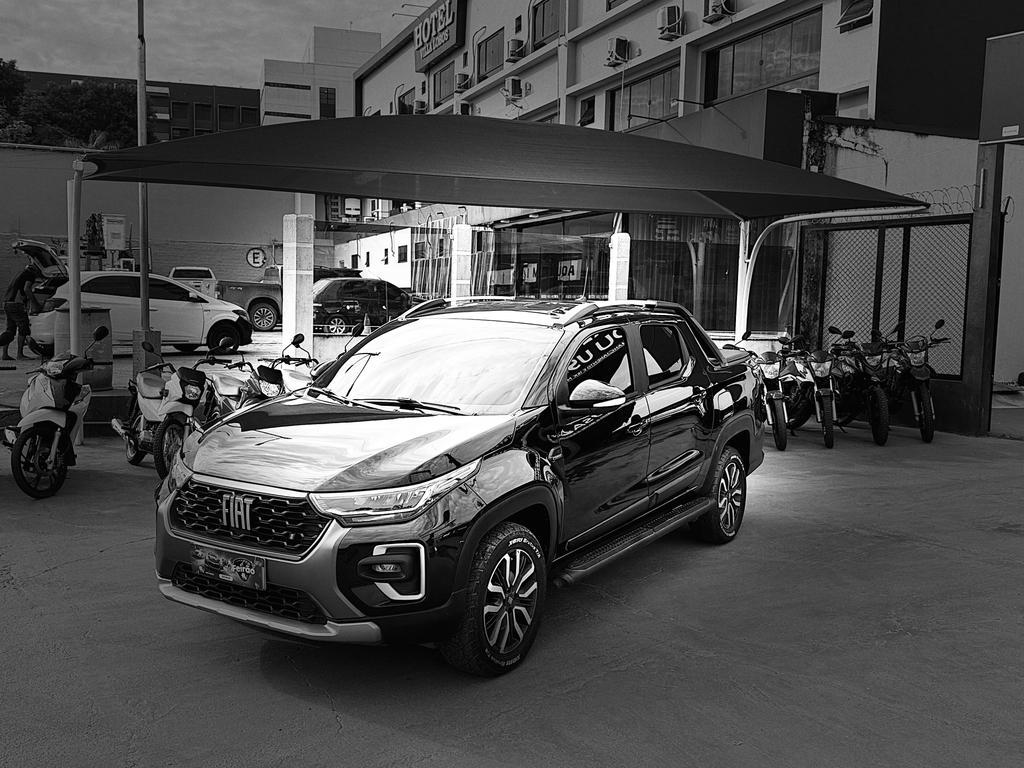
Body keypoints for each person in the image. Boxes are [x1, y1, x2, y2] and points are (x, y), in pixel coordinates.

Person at [0, 260, 41, 360]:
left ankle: (4, 354)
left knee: (10, 330)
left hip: (7, 303)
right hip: (16, 304)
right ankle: (20, 354)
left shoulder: (20, 274)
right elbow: (27, 289)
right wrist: (35, 303)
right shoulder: (30, 274)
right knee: (24, 327)